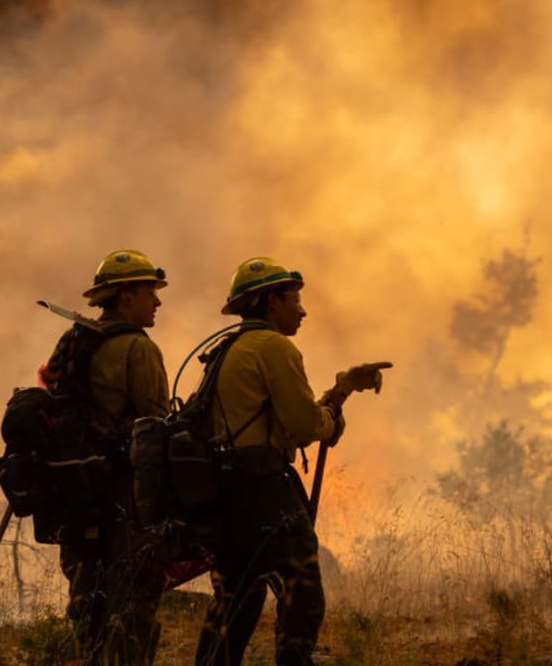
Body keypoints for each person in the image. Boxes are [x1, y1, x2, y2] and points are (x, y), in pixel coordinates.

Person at [195, 256, 390, 666]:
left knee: (236, 601)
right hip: (263, 490)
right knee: (303, 595)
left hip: (224, 491)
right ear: (271, 303)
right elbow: (303, 426)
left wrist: (341, 391)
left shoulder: (227, 349)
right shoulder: (274, 346)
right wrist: (335, 407)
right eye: (294, 300)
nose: (302, 310)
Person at [40, 248, 169, 665]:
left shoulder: (74, 340)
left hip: (76, 492)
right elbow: (154, 425)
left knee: (87, 609)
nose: (158, 302)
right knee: (132, 610)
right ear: (126, 298)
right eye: (151, 293)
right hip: (124, 495)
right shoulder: (138, 348)